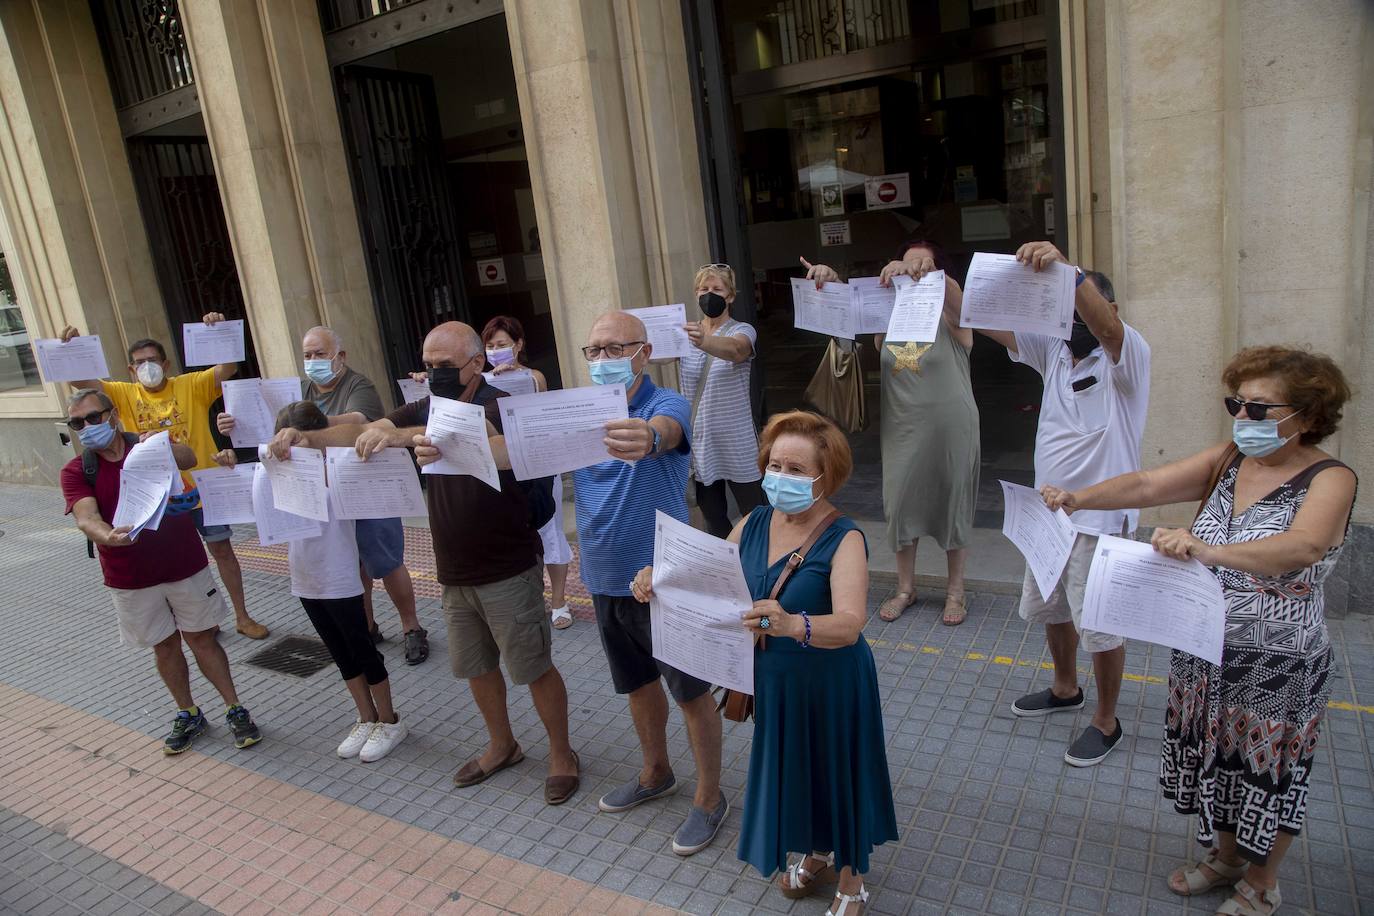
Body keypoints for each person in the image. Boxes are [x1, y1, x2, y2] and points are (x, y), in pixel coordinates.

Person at [1042, 346, 1356, 915]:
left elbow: (1304, 545)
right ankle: (1226, 857)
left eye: (1260, 409)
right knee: (1215, 756)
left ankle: (1263, 883)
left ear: (1307, 415)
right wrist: (1076, 499)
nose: (1243, 419)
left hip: (1277, 661)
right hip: (1204, 646)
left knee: (1266, 767)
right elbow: (1145, 486)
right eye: (1236, 404)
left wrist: (1208, 550)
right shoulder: (1229, 460)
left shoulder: (1331, 477)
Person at [266, 321, 581, 805]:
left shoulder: (497, 405)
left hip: (507, 565)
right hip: (453, 571)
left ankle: (562, 754)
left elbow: (472, 436)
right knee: (476, 668)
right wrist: (311, 438)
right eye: (428, 365)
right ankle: (503, 744)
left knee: (533, 666)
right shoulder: (426, 406)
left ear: (476, 363)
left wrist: (403, 437)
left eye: (445, 366)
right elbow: (368, 427)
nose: (433, 375)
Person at [632, 410, 896, 915]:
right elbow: (705, 574)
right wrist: (656, 577)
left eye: (797, 469)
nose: (781, 477)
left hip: (832, 681)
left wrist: (795, 624)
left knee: (837, 771)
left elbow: (851, 622)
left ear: (826, 475)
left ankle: (852, 876)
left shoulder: (846, 537)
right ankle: (817, 852)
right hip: (774, 684)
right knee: (799, 771)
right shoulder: (752, 521)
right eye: (775, 465)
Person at [956, 240, 1151, 766]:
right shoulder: (1054, 352)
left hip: (1102, 520)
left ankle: (1106, 720)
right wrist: (926, 276)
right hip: (1050, 513)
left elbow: (1106, 328)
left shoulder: (1127, 356)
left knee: (1101, 624)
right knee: (1054, 607)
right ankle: (1066, 687)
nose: (1072, 321)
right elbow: (971, 313)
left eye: (1077, 306)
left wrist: (1067, 271)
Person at [572, 310, 727, 856]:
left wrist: (646, 435)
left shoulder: (665, 404)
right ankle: (655, 771)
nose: (603, 360)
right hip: (604, 575)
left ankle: (709, 797)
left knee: (690, 693)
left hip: (662, 579)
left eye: (616, 349)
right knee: (636, 686)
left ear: (644, 352)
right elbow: (514, 450)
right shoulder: (578, 413)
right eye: (594, 351)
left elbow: (665, 434)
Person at [59, 388, 263, 755]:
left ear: (113, 414)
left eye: (93, 417)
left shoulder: (146, 445)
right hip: (129, 575)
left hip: (184, 564)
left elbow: (189, 457)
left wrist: (164, 444)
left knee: (203, 639)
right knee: (165, 646)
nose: (87, 427)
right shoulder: (78, 470)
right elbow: (85, 517)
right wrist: (108, 536)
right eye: (77, 423)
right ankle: (188, 712)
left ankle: (235, 707)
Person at [217, 325, 428, 663]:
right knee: (352, 563)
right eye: (308, 355)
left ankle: (412, 627)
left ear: (339, 356)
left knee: (386, 561)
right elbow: (271, 431)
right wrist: (236, 425)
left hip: (367, 489)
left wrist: (307, 424)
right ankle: (368, 627)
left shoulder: (359, 385)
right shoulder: (299, 389)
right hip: (326, 494)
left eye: (320, 354)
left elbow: (359, 420)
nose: (313, 361)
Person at [213, 402, 407, 762]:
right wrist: (230, 466)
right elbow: (247, 499)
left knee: (363, 650)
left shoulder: (341, 465)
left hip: (341, 578)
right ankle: (365, 717)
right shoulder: (274, 469)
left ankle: (389, 720)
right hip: (305, 577)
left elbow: (359, 423)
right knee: (340, 653)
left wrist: (313, 442)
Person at [59, 316, 269, 639]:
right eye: (139, 363)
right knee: (172, 562)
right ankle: (199, 621)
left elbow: (228, 368)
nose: (147, 367)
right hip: (156, 496)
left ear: (166, 363)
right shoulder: (122, 393)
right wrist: (70, 348)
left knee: (222, 551)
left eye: (153, 360)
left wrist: (221, 328)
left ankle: (242, 616)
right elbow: (81, 386)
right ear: (131, 369)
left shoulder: (190, 385)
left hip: (202, 487)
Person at [802, 242, 979, 625]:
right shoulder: (888, 310)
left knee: (954, 501)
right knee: (899, 504)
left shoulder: (952, 315)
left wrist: (933, 272)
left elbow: (962, 304)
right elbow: (844, 317)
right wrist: (829, 280)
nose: (913, 267)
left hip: (952, 425)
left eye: (921, 261)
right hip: (901, 426)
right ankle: (905, 587)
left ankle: (955, 591)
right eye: (908, 259)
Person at [481, 316, 573, 630]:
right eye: (490, 346)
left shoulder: (534, 377)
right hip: (505, 465)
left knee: (550, 528)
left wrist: (514, 380)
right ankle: (529, 598)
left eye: (502, 345)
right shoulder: (480, 380)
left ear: (518, 345)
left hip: (540, 460)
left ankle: (559, 599)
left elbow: (542, 414)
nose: (496, 352)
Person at [677, 263, 764, 539]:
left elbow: (737, 350)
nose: (709, 294)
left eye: (717, 289)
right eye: (704, 289)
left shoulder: (742, 330)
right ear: (695, 293)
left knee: (756, 512)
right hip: (702, 441)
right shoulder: (684, 334)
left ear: (730, 296)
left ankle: (759, 562)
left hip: (737, 440)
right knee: (714, 517)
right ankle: (727, 566)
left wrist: (704, 341)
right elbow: (651, 354)